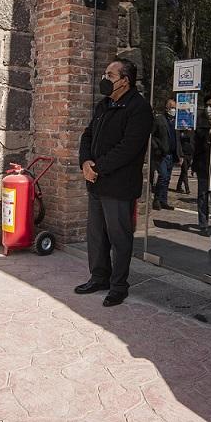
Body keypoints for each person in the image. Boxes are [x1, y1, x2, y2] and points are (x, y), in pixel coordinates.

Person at [76, 58, 153, 307]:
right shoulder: (104, 105)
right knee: (96, 235)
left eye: (110, 75)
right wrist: (85, 162)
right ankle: (99, 277)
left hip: (119, 186)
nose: (104, 79)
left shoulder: (139, 108)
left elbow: (128, 148)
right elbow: (87, 135)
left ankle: (119, 286)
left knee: (120, 238)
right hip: (97, 183)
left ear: (125, 80)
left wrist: (96, 168)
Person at [151, 98, 178, 210]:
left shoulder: (176, 121)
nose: (173, 110)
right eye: (172, 107)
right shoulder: (159, 120)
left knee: (167, 179)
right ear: (167, 108)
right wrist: (157, 147)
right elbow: (151, 135)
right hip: (161, 154)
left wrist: (179, 154)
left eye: (175, 108)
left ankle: (164, 200)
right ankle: (156, 199)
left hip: (171, 154)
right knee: (163, 176)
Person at [193, 96, 211, 234]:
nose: (209, 108)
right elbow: (196, 145)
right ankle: (203, 223)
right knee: (203, 195)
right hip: (203, 164)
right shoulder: (200, 122)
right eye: (207, 105)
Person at [175, 128, 193, 194]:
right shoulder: (180, 132)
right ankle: (187, 189)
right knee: (185, 172)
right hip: (184, 155)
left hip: (190, 154)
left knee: (183, 172)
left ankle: (178, 186)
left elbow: (193, 143)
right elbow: (179, 143)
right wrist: (180, 155)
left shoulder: (192, 132)